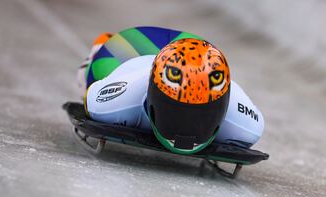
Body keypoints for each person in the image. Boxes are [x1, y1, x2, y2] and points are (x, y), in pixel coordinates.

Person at [77, 26, 264, 154]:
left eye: (200, 114)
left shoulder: (248, 125)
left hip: (193, 54)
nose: (186, 126)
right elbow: (91, 97)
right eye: (176, 110)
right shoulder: (109, 104)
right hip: (131, 53)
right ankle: (100, 46)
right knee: (92, 73)